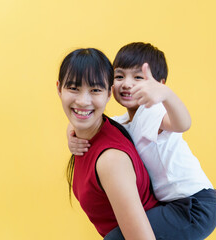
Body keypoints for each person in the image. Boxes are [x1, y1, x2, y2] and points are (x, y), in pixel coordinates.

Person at [68, 42, 216, 240]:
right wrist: (70, 136)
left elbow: (183, 123)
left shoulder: (153, 112)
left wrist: (166, 96)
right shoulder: (123, 122)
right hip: (172, 205)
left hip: (193, 206)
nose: (127, 84)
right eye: (119, 76)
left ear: (160, 84)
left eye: (138, 78)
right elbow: (88, 121)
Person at [57, 48, 159, 239]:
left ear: (108, 94)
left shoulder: (111, 160)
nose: (83, 101)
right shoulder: (86, 136)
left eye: (95, 90)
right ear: (58, 89)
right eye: (73, 88)